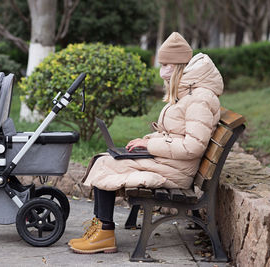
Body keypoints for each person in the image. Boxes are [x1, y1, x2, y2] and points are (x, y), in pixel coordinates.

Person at [68, 32, 224, 254]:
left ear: (180, 66)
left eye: (166, 64)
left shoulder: (198, 98)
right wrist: (146, 140)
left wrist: (150, 147)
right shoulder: (188, 92)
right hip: (171, 163)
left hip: (177, 170)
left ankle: (104, 233)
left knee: (105, 164)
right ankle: (101, 230)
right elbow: (174, 133)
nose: (162, 71)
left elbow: (193, 147)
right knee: (106, 160)